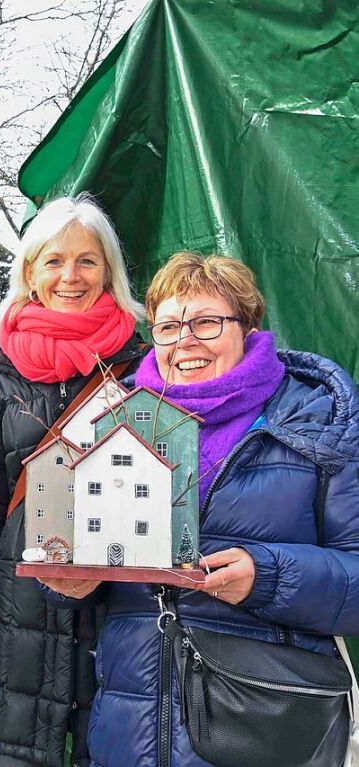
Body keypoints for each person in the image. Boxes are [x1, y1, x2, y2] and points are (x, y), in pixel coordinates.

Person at [40, 252, 359, 766]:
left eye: (206, 322)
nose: (185, 340)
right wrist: (72, 581)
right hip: (133, 714)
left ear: (248, 326)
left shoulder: (315, 421)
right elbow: (77, 536)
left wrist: (267, 577)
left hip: (262, 716)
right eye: (167, 326)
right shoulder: (115, 418)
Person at [0, 194, 146, 767]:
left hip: (122, 603)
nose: (70, 275)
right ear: (30, 272)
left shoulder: (143, 362)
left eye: (87, 261)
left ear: (108, 272)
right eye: (54, 260)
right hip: (21, 607)